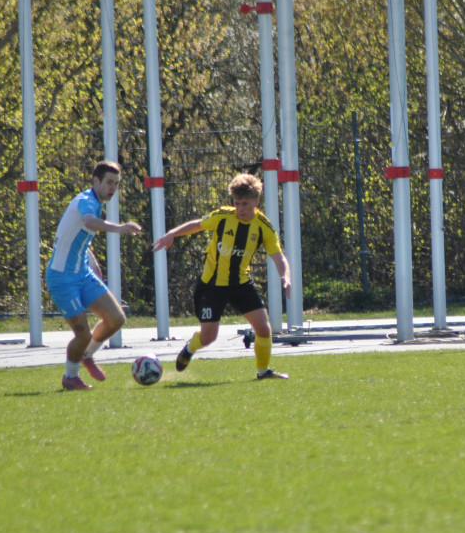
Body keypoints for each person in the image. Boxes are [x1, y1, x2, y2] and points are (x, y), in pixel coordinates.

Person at [152, 173, 292, 380]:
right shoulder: (223, 217)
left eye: (245, 203)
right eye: (237, 203)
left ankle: (263, 372)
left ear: (256, 201)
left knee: (263, 328)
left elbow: (279, 257)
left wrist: (285, 277)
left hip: (241, 283)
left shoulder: (264, 227)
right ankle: (190, 348)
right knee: (209, 337)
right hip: (212, 286)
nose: (241, 208)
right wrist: (172, 233)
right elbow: (198, 224)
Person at [45, 160, 143, 390]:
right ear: (95, 180)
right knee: (82, 333)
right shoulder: (87, 201)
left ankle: (87, 355)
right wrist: (119, 228)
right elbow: (88, 222)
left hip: (83, 273)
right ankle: (70, 376)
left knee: (116, 319)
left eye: (116, 184)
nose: (113, 188)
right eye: (109, 182)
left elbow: (79, 235)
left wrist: (93, 262)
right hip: (61, 277)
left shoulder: (96, 202)